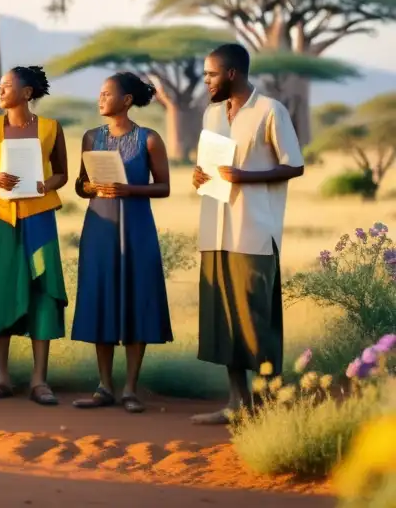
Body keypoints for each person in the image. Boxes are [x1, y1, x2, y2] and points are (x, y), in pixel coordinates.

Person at [190, 44, 304, 425]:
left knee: (258, 323)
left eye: (211, 74)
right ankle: (236, 404)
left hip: (253, 232)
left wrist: (247, 178)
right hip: (215, 232)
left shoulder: (270, 110)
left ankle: (270, 408)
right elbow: (209, 164)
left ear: (233, 73)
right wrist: (199, 176)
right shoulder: (211, 114)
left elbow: (295, 165)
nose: (205, 81)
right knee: (223, 321)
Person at [70, 72, 173, 414]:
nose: (100, 99)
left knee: (135, 298)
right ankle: (104, 386)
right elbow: (79, 185)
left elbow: (164, 187)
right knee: (101, 298)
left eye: (106, 94)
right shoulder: (89, 137)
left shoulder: (149, 139)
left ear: (126, 100)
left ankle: (130, 388)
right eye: (99, 94)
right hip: (99, 228)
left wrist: (129, 189)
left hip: (137, 228)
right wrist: (90, 188)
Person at [0, 66, 69, 406]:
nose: (0, 91)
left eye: (7, 86)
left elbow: (62, 173)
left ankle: (39, 380)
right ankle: (1, 378)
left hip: (39, 218)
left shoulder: (50, 128)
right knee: (0, 289)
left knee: (42, 289)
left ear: (27, 93)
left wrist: (48, 184)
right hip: (0, 218)